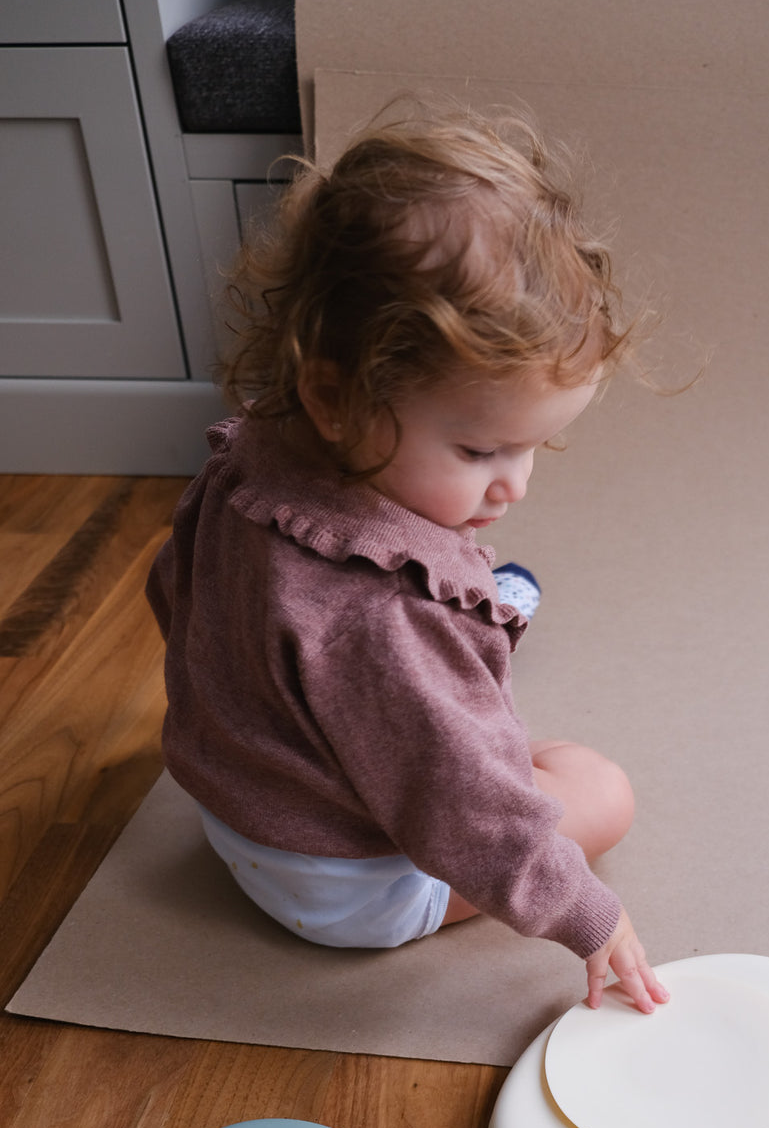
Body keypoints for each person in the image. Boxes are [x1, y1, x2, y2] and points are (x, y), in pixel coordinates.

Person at [147, 104, 669, 1015]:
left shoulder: (247, 459)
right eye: (479, 454)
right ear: (335, 397)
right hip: (353, 894)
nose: (515, 485)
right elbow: (465, 817)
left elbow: (175, 595)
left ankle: (471, 659)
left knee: (458, 733)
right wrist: (589, 915)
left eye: (532, 448)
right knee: (595, 786)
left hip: (234, 810)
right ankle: (473, 661)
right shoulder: (388, 615)